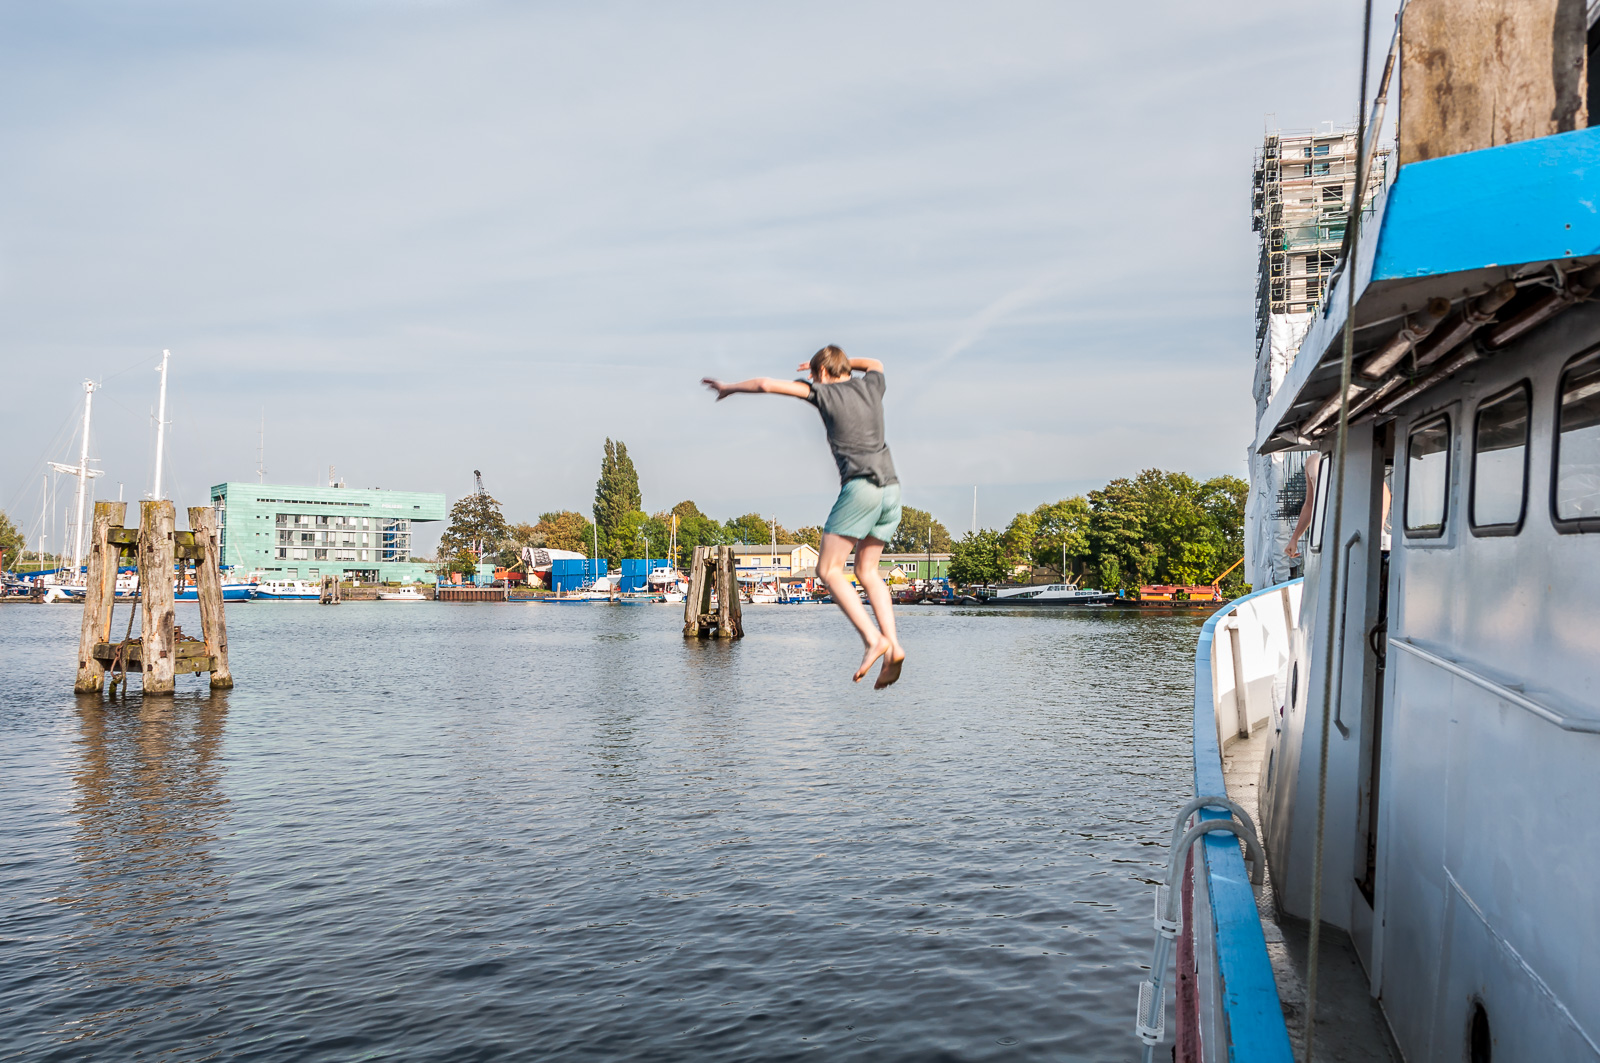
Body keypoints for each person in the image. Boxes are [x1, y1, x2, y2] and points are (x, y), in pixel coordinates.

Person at [702, 345, 906, 688]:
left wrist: (729, 387)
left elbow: (767, 384)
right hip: (892, 490)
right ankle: (894, 645)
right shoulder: (872, 385)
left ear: (822, 374)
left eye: (814, 375)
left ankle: (874, 639)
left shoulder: (822, 391)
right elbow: (875, 363)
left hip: (862, 488)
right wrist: (844, 362)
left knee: (827, 570)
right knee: (867, 571)